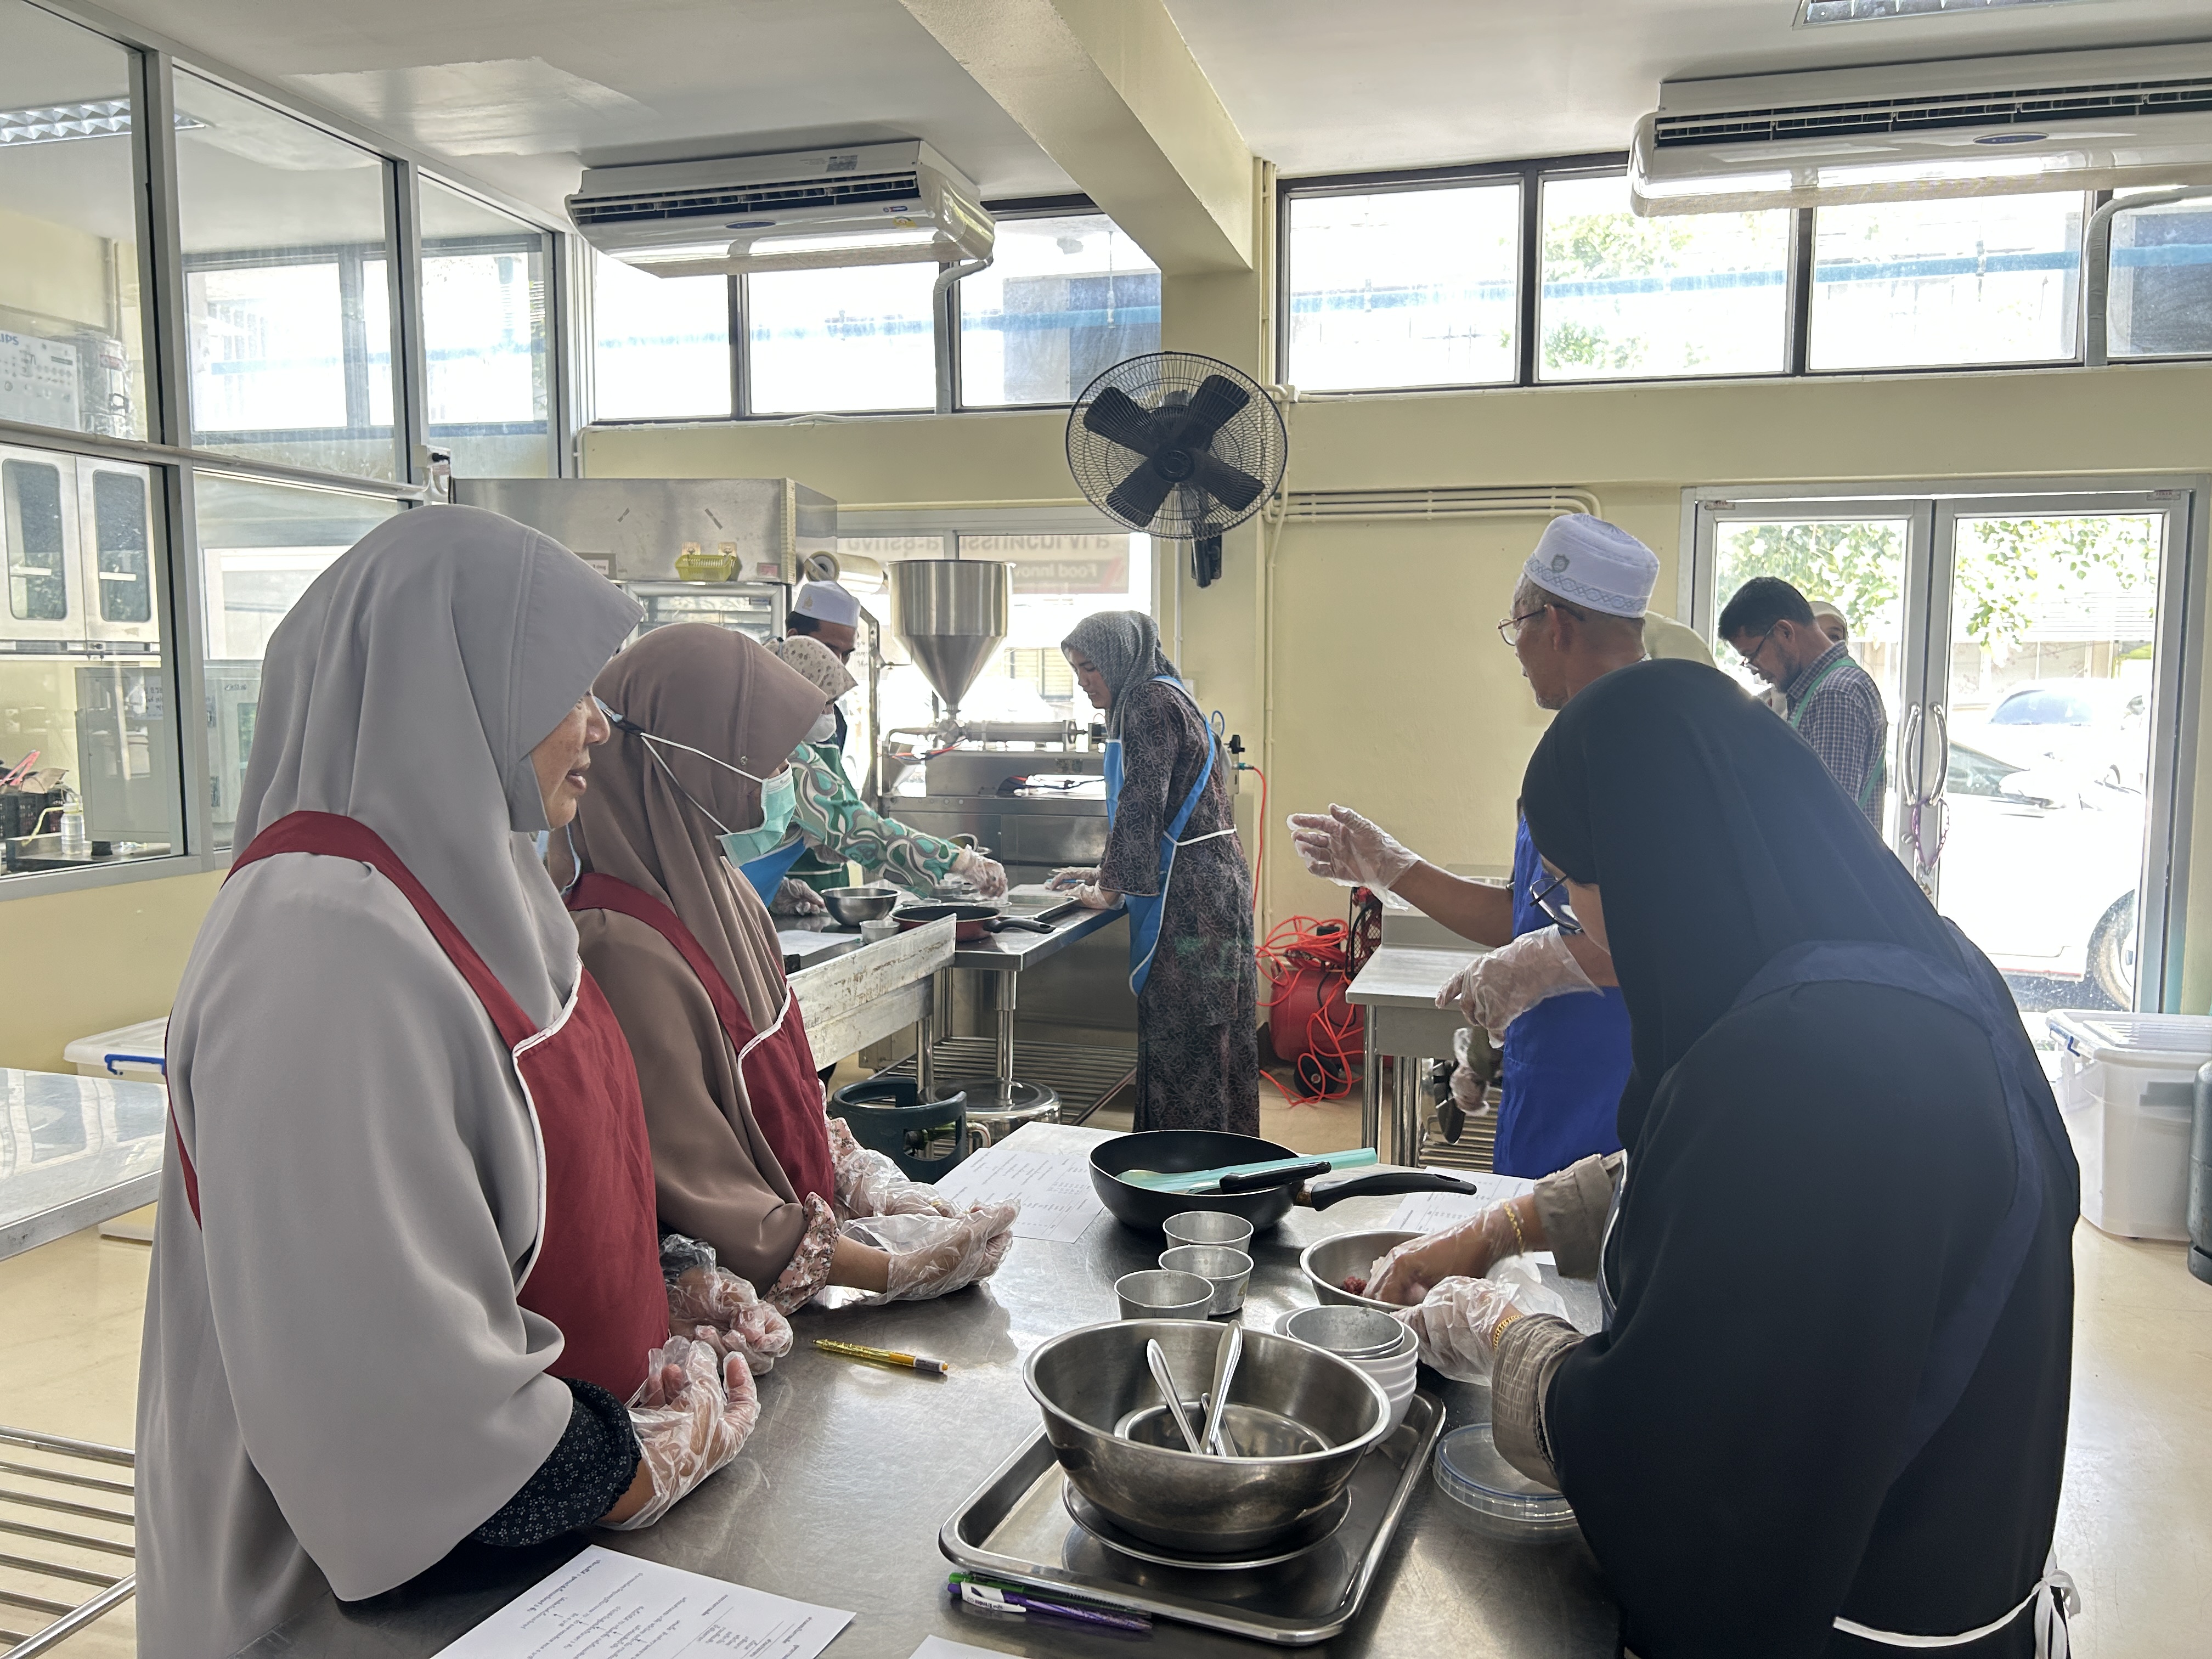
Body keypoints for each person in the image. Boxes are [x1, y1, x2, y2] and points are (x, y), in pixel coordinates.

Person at [138, 510, 765, 1658]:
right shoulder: (318, 943)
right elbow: (390, 1411)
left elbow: (519, 1174)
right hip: (344, 1610)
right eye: (566, 687)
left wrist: (663, 1278)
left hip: (523, 1583)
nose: (598, 724)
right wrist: (640, 1459)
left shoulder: (486, 890)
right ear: (450, 682)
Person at [1368, 657, 2078, 1659]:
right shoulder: (1905, 971)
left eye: (1571, 893)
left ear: (1656, 867)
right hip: (1960, 1550)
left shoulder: (1800, 1067)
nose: (1581, 927)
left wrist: (1504, 1335)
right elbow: (1735, 1193)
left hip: (1846, 1621)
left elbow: (1671, 1462)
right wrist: (1508, 1224)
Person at [556, 622, 1017, 1308]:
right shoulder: (615, 946)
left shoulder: (729, 891)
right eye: (766, 760)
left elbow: (784, 1090)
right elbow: (707, 1196)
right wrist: (892, 1267)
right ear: (689, 760)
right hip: (745, 1309)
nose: (782, 778)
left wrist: (863, 1181)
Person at [1288, 514, 1657, 1178]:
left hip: (1614, 1092)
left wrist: (1536, 966)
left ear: (1557, 625)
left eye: (1517, 626)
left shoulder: (1643, 744)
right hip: (1550, 1073)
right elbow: (1527, 916)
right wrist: (1391, 867)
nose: (1515, 650)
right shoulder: (1578, 739)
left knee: (1585, 1237)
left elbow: (1665, 939)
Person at [1052, 611, 1259, 1135]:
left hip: (1190, 906)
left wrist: (1106, 890)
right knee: (1216, 1040)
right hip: (1212, 889)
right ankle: (1227, 1162)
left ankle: (1184, 1172)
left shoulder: (1147, 703)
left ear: (1121, 659)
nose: (1085, 682)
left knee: (1186, 1043)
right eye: (1077, 671)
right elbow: (1158, 813)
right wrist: (1103, 871)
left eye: (1092, 668)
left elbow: (1142, 803)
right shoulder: (1169, 694)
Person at [751, 634, 1006, 913]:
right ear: (795, 696)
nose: (829, 715)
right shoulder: (787, 758)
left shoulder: (758, 740)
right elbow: (862, 828)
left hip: (732, 896)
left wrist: (775, 889)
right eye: (825, 703)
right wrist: (961, 861)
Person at [1722, 575, 1888, 834]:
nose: (1756, 670)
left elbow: (1827, 825)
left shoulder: (1835, 694)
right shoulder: (1814, 690)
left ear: (1785, 632)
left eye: (1752, 655)